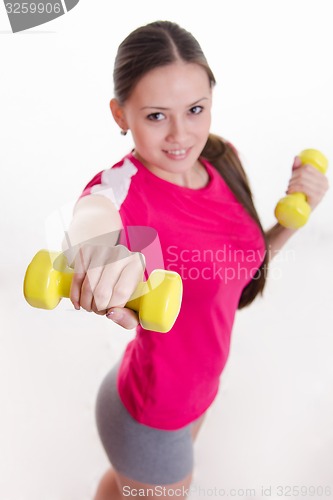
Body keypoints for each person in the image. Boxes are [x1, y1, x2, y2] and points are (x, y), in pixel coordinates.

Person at [63, 21, 329, 500]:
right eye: (156, 116)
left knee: (124, 489)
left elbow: (236, 271)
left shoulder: (220, 161)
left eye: (196, 110)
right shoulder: (125, 190)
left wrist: (294, 219)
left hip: (196, 392)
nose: (181, 135)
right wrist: (95, 250)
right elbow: (92, 215)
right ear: (121, 114)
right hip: (150, 412)